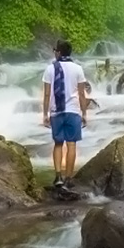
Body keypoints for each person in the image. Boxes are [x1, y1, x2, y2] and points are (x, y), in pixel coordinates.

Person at [41, 39, 88, 189]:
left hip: (57, 111)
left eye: (55, 50)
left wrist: (45, 114)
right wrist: (84, 113)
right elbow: (81, 94)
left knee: (58, 144)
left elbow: (47, 94)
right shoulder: (78, 69)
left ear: (59, 52)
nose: (54, 52)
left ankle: (58, 177)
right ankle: (69, 178)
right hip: (73, 111)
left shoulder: (50, 69)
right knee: (72, 144)